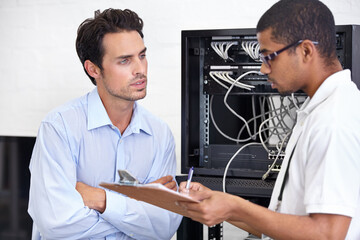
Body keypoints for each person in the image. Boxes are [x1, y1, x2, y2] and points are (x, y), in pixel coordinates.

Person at [179, 0, 360, 239]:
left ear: (306, 51)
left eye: (269, 57)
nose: (263, 69)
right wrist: (220, 204)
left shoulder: (333, 122)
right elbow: (286, 225)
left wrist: (235, 206)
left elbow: (327, 234)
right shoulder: (319, 111)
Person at [28, 8, 182, 240]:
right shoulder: (59, 127)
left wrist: (100, 199)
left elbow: (164, 226)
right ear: (93, 69)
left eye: (142, 55)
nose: (140, 69)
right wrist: (138, 205)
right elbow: (58, 225)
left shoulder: (159, 134)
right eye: (124, 60)